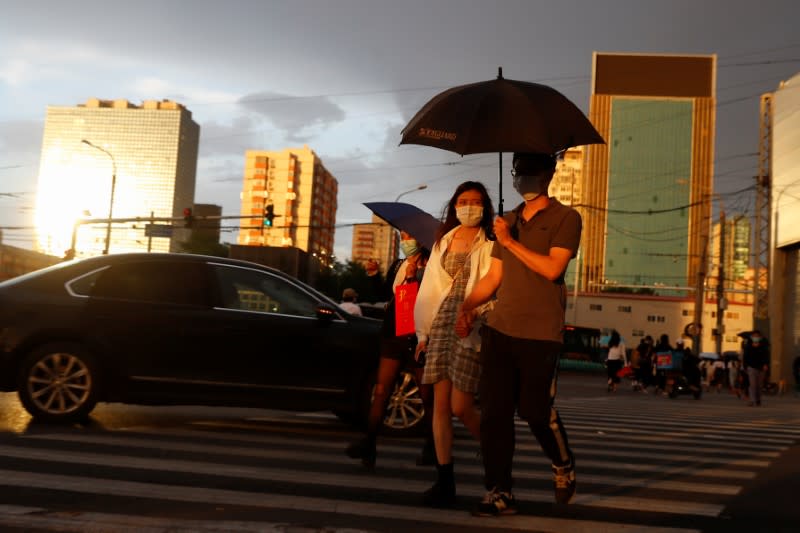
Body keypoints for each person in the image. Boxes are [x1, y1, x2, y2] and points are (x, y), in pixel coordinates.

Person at [456, 152, 582, 515]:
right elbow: (494, 277)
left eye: (527, 172)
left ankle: (562, 463)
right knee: (495, 415)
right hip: (500, 329)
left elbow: (553, 269)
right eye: (517, 172)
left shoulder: (566, 218)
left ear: (548, 173)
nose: (521, 178)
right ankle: (499, 491)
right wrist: (467, 308)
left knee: (534, 412)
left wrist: (510, 241)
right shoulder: (507, 221)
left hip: (541, 334)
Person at [413, 181, 495, 507]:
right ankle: (445, 480)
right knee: (440, 407)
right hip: (441, 326)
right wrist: (423, 334)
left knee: (462, 407)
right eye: (463, 201)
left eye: (475, 201)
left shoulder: (491, 241)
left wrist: (478, 312)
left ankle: (495, 451)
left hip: (471, 327)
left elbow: (496, 286)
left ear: (485, 206)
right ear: (454, 205)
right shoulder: (443, 241)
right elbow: (429, 289)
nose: (469, 206)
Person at [345, 232, 434, 468]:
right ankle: (369, 443)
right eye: (403, 236)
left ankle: (433, 446)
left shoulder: (433, 265)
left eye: (409, 236)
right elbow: (385, 294)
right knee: (382, 388)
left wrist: (414, 279)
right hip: (394, 332)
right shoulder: (398, 263)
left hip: (418, 335)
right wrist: (374, 275)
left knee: (426, 393)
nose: (406, 241)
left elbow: (432, 299)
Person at [743, 330, 770, 407]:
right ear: (751, 337)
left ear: (760, 337)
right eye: (754, 336)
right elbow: (745, 357)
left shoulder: (764, 345)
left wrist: (766, 364)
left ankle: (758, 399)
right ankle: (752, 400)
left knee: (759, 385)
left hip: (761, 367)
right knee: (752, 384)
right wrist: (745, 366)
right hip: (751, 367)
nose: (755, 337)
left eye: (757, 336)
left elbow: (767, 356)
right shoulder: (748, 346)